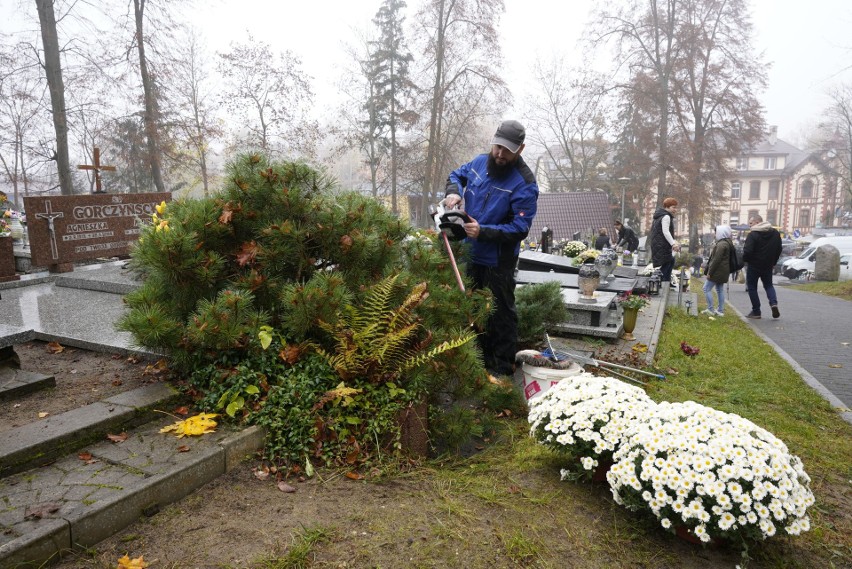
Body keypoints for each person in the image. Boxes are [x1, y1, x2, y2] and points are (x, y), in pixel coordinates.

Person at [444, 119, 539, 377]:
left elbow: (520, 228)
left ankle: (501, 366)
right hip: (471, 253)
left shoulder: (524, 184)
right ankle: (475, 359)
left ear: (520, 149)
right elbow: (456, 175)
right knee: (472, 308)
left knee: (500, 313)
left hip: (499, 260)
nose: (499, 154)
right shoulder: (478, 163)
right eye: (497, 146)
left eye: (507, 150)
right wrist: (454, 192)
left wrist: (483, 231)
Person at [742, 214, 782, 319]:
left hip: (754, 265)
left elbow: (747, 251)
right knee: (768, 285)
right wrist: (774, 261)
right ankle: (773, 303)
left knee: (752, 287)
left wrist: (745, 260)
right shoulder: (775, 233)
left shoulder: (753, 235)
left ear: (757, 222)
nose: (750, 226)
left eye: (751, 223)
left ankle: (756, 311)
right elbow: (779, 249)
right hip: (768, 265)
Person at [700, 225, 733, 317]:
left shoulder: (721, 244)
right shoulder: (726, 243)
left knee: (706, 288)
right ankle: (720, 310)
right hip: (723, 271)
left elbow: (716, 259)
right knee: (719, 290)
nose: (715, 234)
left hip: (717, 271)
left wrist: (710, 272)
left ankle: (710, 309)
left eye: (716, 232)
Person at [649, 197, 681, 282]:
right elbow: (666, 232)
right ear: (667, 207)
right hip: (661, 244)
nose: (675, 209)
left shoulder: (659, 215)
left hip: (658, 244)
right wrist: (673, 244)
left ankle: (665, 281)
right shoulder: (666, 216)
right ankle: (660, 281)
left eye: (676, 207)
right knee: (668, 262)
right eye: (673, 207)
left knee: (670, 261)